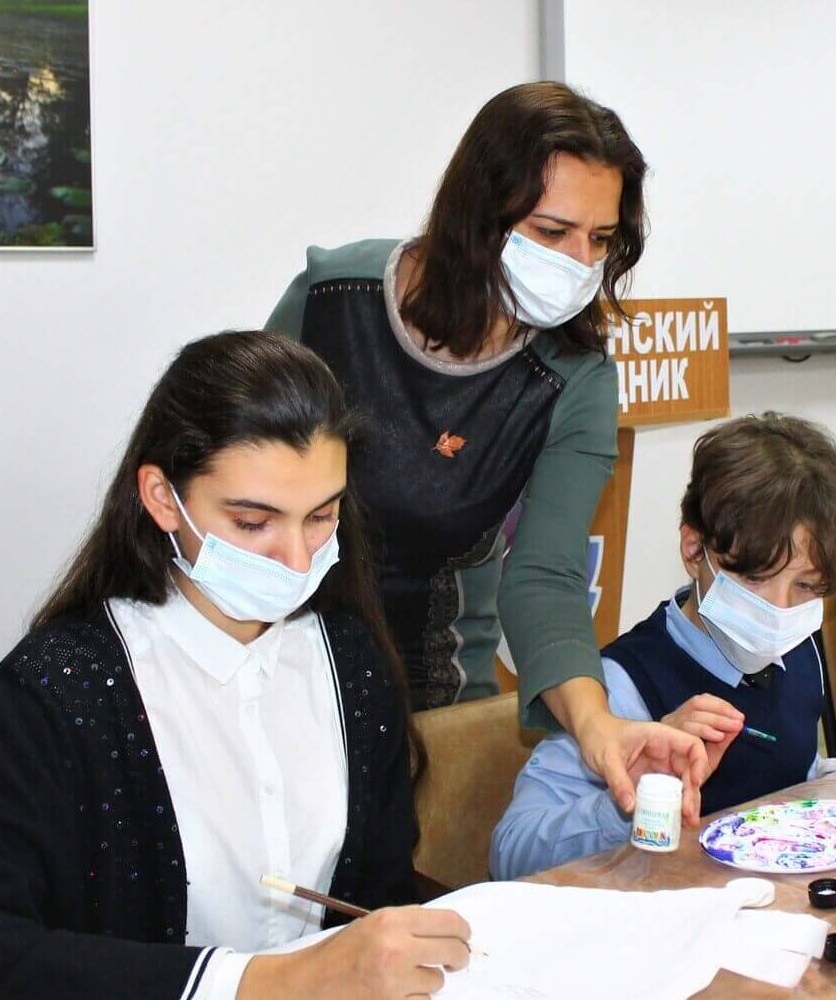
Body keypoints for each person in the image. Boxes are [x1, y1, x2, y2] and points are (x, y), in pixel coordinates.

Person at [0, 332, 472, 1000]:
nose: (296, 560)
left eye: (321, 516)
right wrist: (259, 982)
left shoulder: (352, 659)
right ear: (163, 498)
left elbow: (380, 894)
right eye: (253, 522)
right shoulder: (63, 687)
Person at [266, 80, 706, 823]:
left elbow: (546, 576)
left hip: (431, 699)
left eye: (601, 240)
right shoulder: (332, 298)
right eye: (552, 231)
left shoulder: (573, 378)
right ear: (478, 213)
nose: (580, 262)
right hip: (272, 667)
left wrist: (596, 725)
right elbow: (224, 482)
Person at [490, 414, 836, 880]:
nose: (779, 610)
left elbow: (794, 772)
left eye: (805, 586)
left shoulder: (800, 651)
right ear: (693, 549)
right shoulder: (621, 687)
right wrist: (634, 797)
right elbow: (511, 851)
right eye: (754, 579)